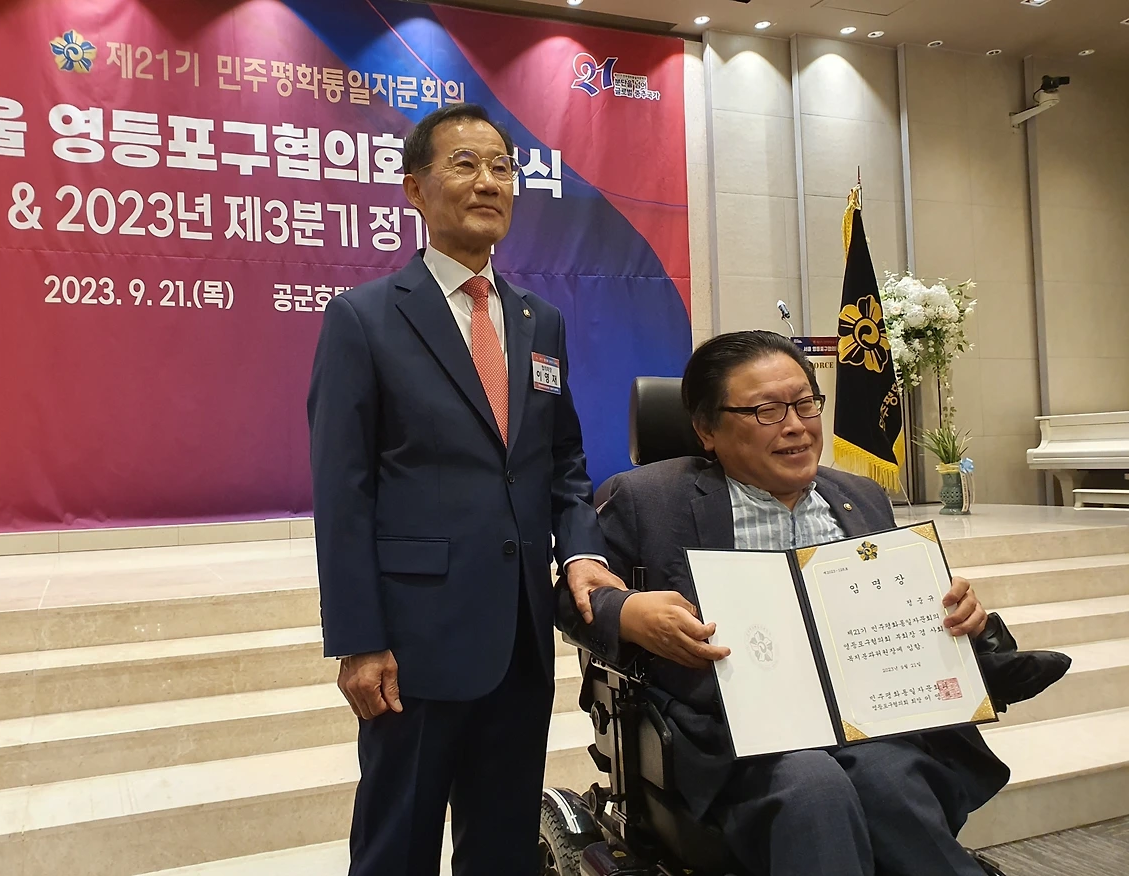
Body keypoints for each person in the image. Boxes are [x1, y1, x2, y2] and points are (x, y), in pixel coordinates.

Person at [559, 330, 1012, 876]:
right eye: (767, 411)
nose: (796, 425)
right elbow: (572, 597)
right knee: (812, 789)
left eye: (804, 403)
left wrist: (962, 618)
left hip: (865, 719)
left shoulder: (860, 497)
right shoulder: (648, 500)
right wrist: (629, 613)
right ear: (706, 429)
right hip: (733, 736)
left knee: (891, 782)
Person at [307, 103, 624, 876]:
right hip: (414, 644)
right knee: (397, 847)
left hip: (519, 637)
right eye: (465, 164)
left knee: (503, 847)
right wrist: (358, 640)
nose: (489, 182)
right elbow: (344, 493)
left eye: (502, 168)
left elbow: (563, 460)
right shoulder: (364, 319)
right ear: (415, 189)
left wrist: (582, 552)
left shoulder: (540, 320)